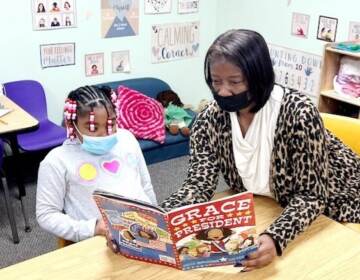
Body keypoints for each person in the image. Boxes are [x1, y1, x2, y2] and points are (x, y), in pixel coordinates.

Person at [160, 29, 360, 271]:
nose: (223, 91)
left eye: (234, 82)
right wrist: (160, 217)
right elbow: (198, 184)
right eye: (216, 81)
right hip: (273, 204)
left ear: (259, 77)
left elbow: (312, 196)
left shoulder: (298, 114)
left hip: (338, 202)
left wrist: (275, 238)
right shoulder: (209, 120)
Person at [36, 85, 157, 242]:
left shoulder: (126, 139)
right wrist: (92, 228)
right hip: (99, 240)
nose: (104, 134)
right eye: (93, 127)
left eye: (111, 123)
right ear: (72, 125)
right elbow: (46, 214)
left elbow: (145, 184)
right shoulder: (57, 161)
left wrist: (157, 218)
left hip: (143, 231)